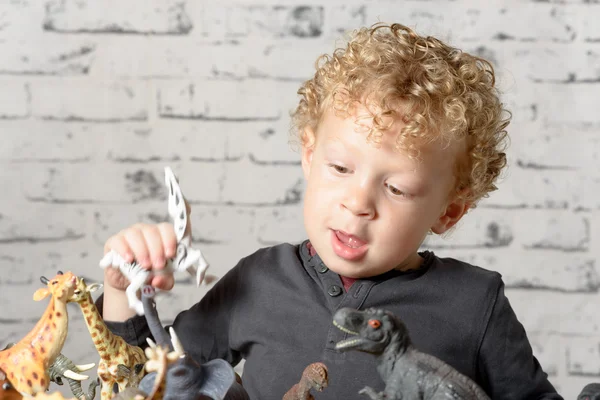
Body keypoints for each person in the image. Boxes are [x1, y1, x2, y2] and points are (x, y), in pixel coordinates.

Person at [97, 23, 563, 399]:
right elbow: (145, 374)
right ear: (309, 154)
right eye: (340, 167)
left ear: (449, 212)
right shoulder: (259, 280)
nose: (358, 202)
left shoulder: (474, 303)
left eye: (397, 188)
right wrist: (123, 289)